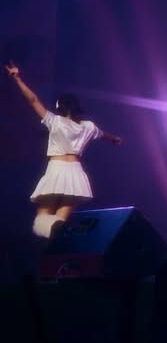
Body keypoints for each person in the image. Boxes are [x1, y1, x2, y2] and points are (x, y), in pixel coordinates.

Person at [6, 62, 122, 239]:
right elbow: (104, 134)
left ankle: (59, 242)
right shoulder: (88, 126)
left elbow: (33, 100)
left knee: (42, 220)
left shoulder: (55, 121)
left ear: (59, 106)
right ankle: (65, 240)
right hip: (76, 173)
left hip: (56, 169)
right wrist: (115, 139)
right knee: (59, 222)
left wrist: (17, 79)